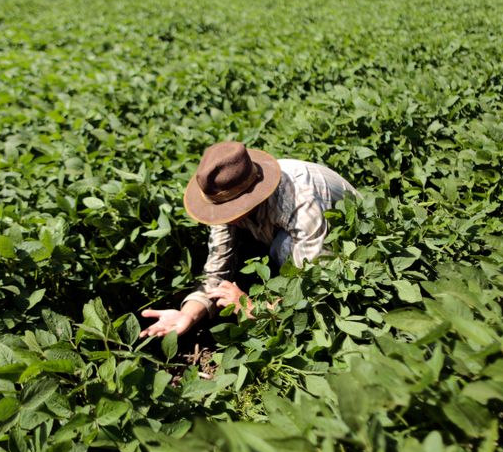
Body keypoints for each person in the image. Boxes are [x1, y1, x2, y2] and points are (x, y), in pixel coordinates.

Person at [140, 141, 357, 338]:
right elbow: (218, 265)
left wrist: (253, 308)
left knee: (283, 247)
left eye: (231, 210)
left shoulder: (300, 202)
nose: (226, 216)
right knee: (252, 249)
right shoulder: (226, 193)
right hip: (289, 230)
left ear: (248, 196)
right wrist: (188, 313)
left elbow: (318, 284)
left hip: (348, 235)